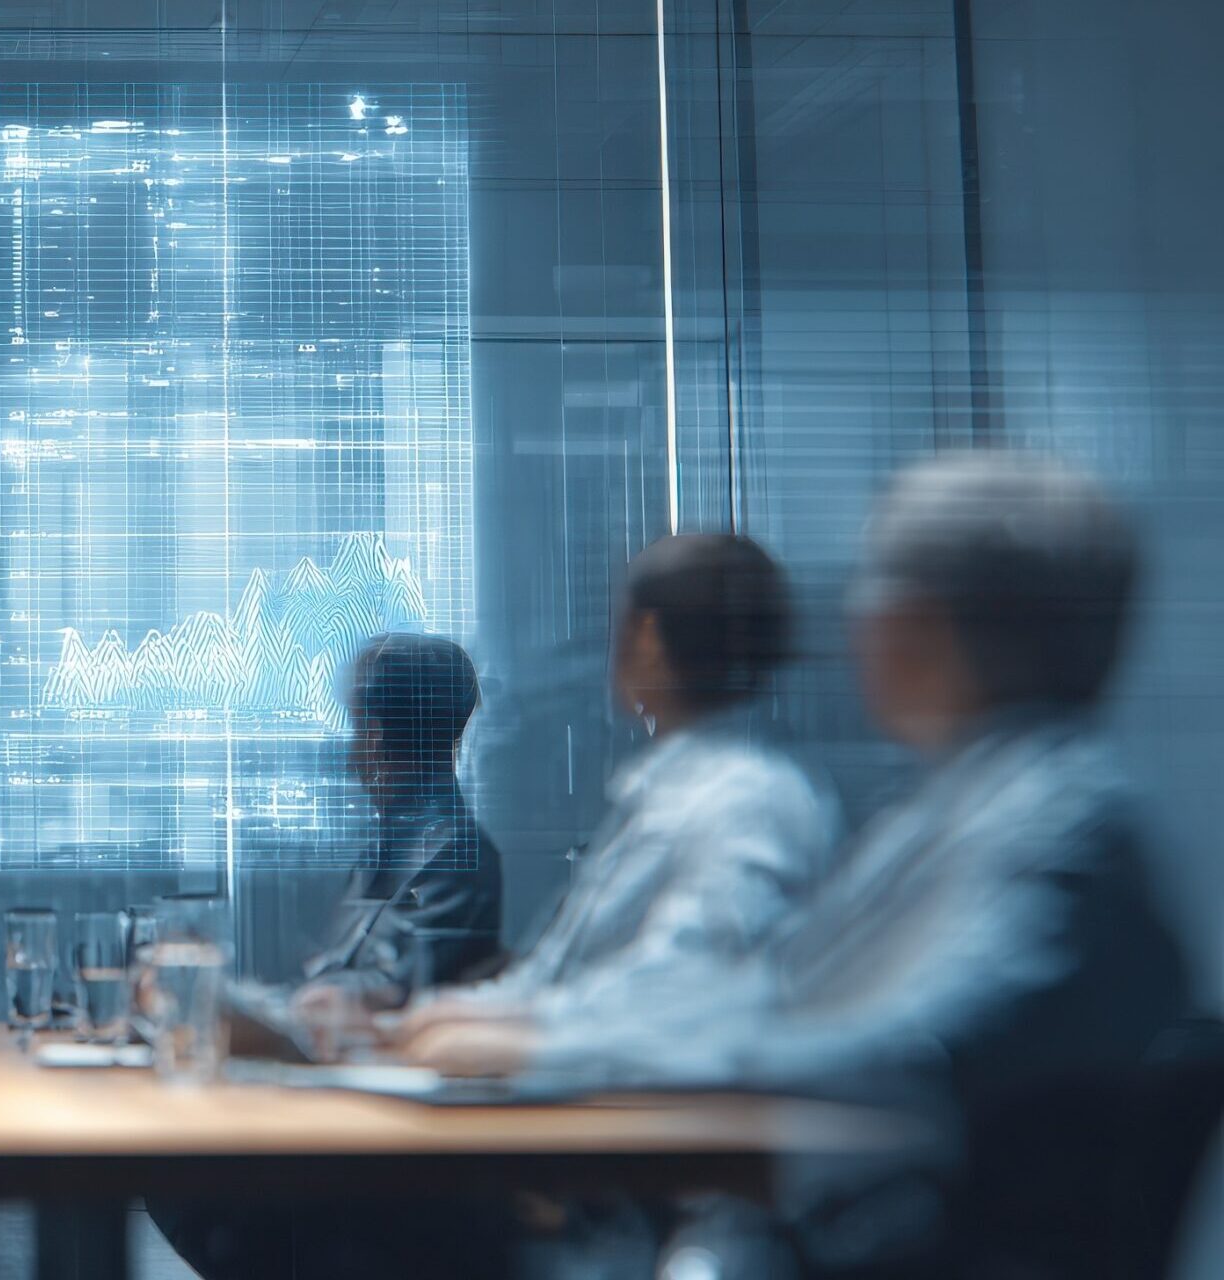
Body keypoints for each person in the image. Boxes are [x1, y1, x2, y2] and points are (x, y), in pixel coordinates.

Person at [401, 451, 1191, 1271]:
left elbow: (900, 1052)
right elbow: (769, 990)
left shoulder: (1058, 828)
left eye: (866, 589)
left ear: (918, 622)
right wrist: (545, 1035)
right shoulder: (964, 805)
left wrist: (549, 1052)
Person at [153, 631, 509, 1280]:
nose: (347, 751)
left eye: (354, 726)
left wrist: (240, 1008)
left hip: (372, 1150)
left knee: (171, 1161)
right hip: (337, 1113)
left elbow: (367, 1006)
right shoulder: (403, 845)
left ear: (372, 736)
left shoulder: (449, 853)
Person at [383, 533, 835, 1042]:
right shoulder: (669, 791)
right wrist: (437, 1019)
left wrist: (523, 1038)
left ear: (646, 637)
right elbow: (552, 978)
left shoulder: (750, 799)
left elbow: (683, 988)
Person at [296, 631, 502, 1006]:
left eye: (357, 726)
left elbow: (388, 991)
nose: (350, 759)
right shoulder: (390, 852)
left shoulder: (454, 859)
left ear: (374, 738)